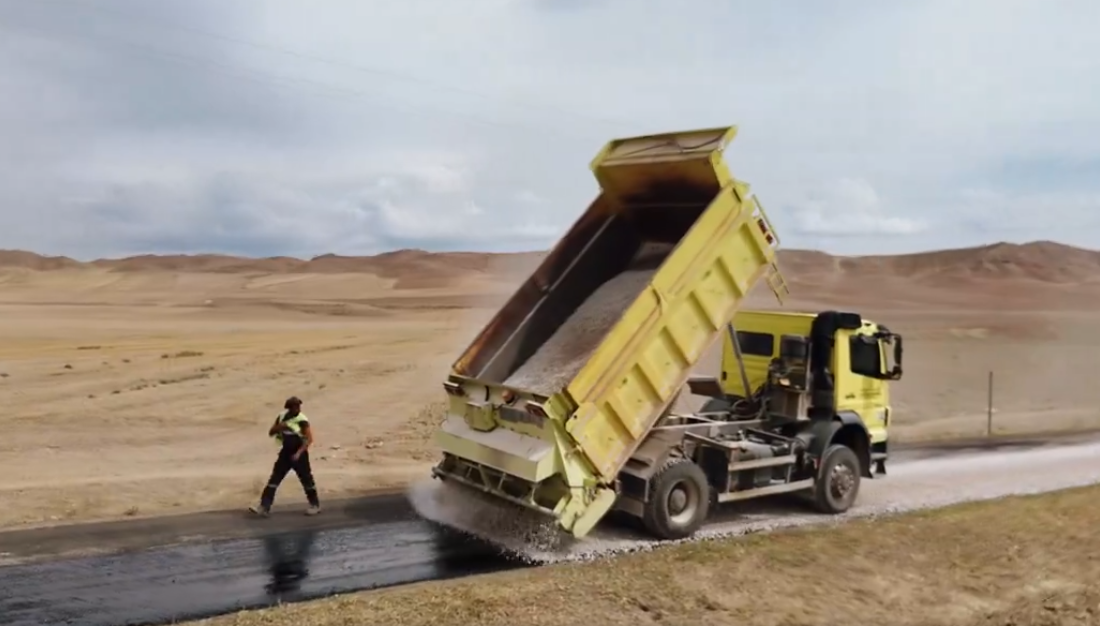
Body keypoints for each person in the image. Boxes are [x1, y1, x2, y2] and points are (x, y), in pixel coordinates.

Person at [249, 396, 321, 517]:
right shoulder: (282, 417)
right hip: (285, 453)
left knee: (307, 480)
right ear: (289, 407)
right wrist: (279, 427)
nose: (298, 408)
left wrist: (298, 454)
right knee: (274, 479)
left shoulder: (302, 420)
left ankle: (315, 505)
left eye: (298, 406)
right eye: (295, 406)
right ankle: (264, 507)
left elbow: (309, 439)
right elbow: (271, 432)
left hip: (299, 454)